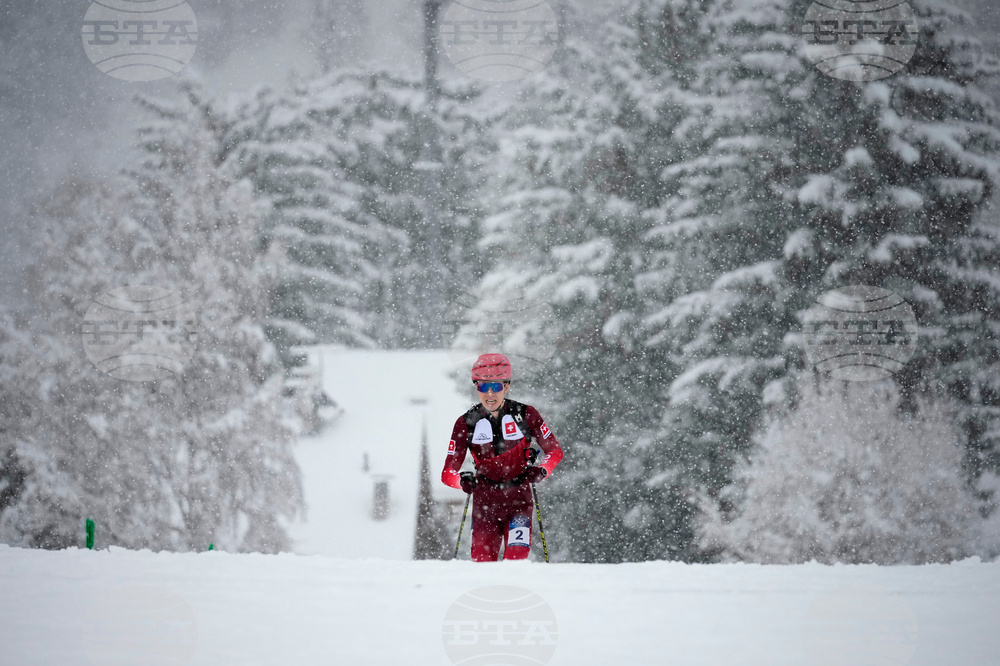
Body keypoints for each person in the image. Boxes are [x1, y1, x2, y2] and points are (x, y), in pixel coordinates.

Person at [441, 353, 564, 561]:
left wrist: (542, 471)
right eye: (482, 387)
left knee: (516, 560)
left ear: (506, 387)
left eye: (496, 387)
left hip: (519, 501)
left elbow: (554, 451)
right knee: (482, 564)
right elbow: (447, 473)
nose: (490, 394)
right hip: (485, 505)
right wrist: (462, 480)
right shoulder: (466, 423)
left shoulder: (526, 414)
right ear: (476, 387)